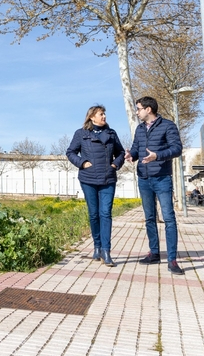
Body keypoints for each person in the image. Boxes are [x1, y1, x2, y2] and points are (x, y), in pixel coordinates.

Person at [125, 96, 185, 275]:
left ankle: (172, 260)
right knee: (149, 218)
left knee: (169, 218)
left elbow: (177, 149)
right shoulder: (139, 129)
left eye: (138, 109)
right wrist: (131, 155)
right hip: (144, 178)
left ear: (148, 109)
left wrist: (157, 156)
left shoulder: (168, 126)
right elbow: (136, 149)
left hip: (162, 178)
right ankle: (154, 253)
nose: (137, 112)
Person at [66, 104, 125, 267]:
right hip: (88, 179)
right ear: (92, 117)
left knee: (105, 213)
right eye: (101, 114)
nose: (104, 116)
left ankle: (106, 250)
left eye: (104, 113)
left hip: (108, 178)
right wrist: (82, 163)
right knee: (94, 214)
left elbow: (120, 153)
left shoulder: (111, 134)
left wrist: (115, 165)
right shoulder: (81, 133)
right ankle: (97, 246)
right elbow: (70, 152)